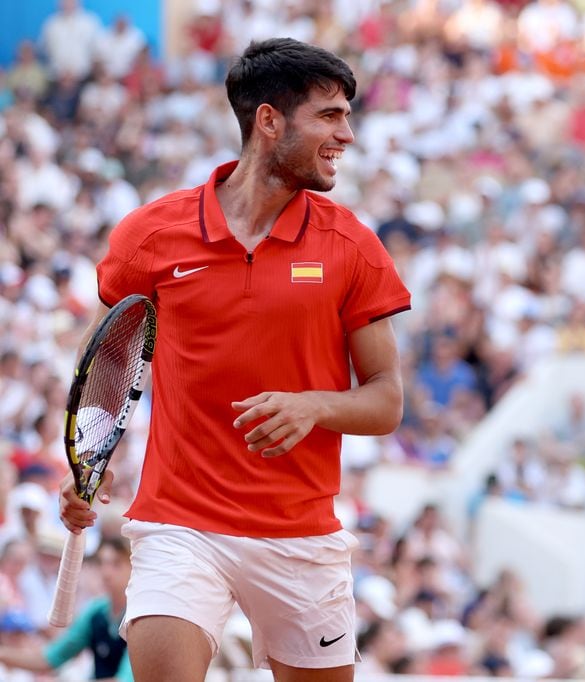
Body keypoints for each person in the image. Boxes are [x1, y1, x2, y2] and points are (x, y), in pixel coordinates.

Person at [59, 38, 411, 682]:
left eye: (348, 116)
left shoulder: (353, 245)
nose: (348, 134)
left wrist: (316, 405)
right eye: (329, 115)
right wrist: (85, 460)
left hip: (302, 532)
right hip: (179, 523)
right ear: (269, 120)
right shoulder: (151, 235)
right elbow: (105, 357)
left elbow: (387, 399)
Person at [0, 537, 133, 681]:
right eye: (102, 563)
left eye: (116, 564)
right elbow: (49, 658)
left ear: (133, 567)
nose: (106, 572)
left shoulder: (138, 616)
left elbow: (125, 679)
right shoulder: (96, 611)